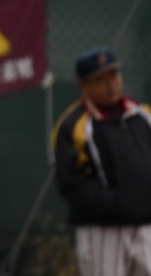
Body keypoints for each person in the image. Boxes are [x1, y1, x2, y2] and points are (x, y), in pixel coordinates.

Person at [53, 47, 151, 276]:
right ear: (83, 85)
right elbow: (70, 180)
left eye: (114, 75)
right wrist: (112, 205)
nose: (111, 84)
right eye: (100, 79)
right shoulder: (74, 124)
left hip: (146, 224)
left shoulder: (143, 114)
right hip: (103, 230)